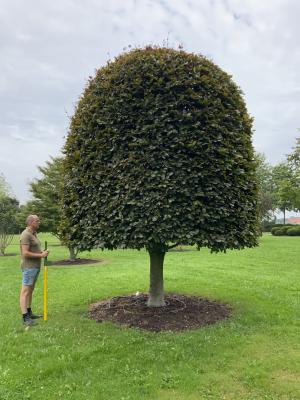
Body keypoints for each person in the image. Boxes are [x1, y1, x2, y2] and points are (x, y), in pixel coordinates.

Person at [20, 215, 49, 326]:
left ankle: (29, 312)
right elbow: (25, 253)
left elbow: (34, 248)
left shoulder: (33, 234)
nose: (39, 222)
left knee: (30, 290)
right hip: (29, 267)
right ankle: (25, 317)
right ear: (31, 222)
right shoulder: (26, 235)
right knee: (25, 291)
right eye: (37, 221)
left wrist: (42, 252)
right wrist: (41, 255)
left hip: (35, 267)